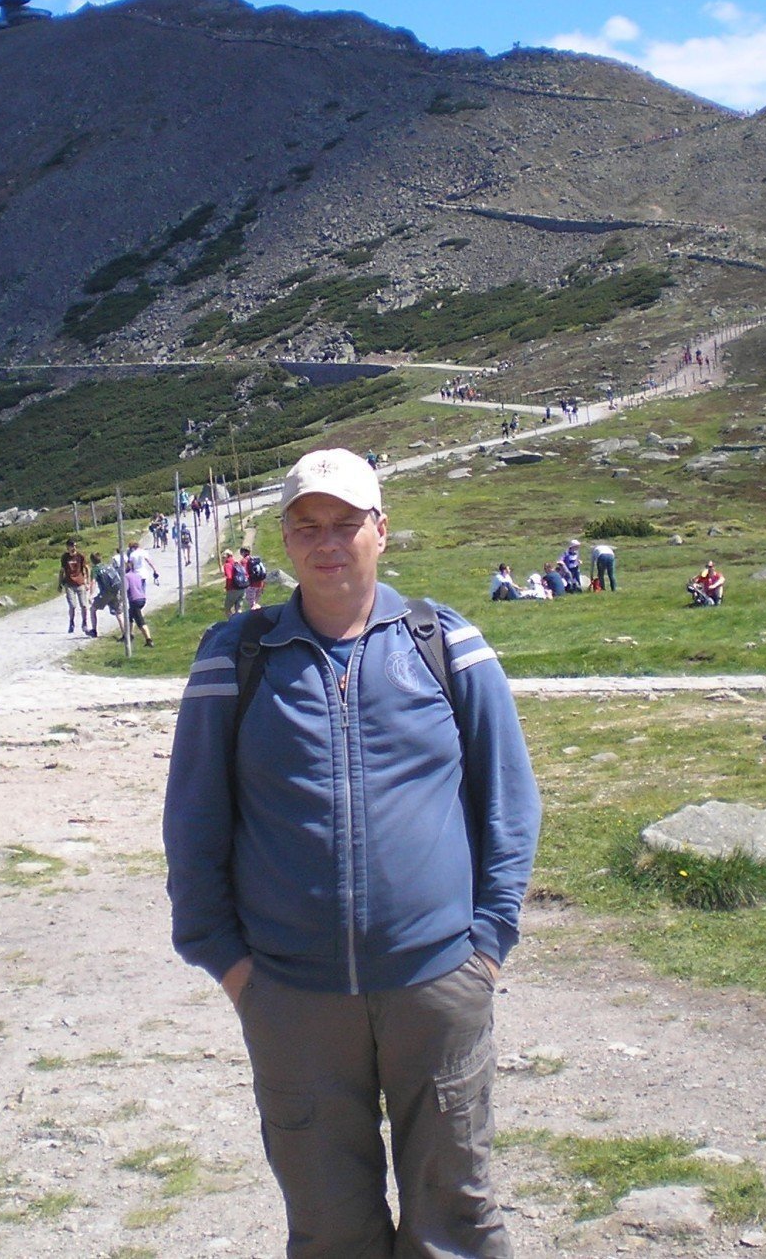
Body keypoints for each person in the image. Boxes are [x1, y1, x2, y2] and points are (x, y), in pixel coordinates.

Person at [164, 448, 540, 1258]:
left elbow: (509, 802)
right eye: (307, 526)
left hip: (438, 986)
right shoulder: (235, 656)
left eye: (345, 523)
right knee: (331, 1232)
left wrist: (486, 948)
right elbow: (193, 822)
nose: (326, 541)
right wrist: (230, 967)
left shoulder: (447, 643)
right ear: (285, 540)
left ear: (381, 530)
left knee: (457, 1224)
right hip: (291, 997)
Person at [122, 545, 156, 648]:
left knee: (140, 621)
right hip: (142, 598)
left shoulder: (126, 577)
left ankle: (149, 640)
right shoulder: (137, 575)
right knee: (130, 617)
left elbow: (125, 589)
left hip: (134, 600)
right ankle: (129, 635)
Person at [60, 539, 92, 635]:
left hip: (80, 583)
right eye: (72, 546)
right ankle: (71, 622)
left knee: (84, 605)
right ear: (68, 547)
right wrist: (60, 583)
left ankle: (84, 623)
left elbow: (87, 568)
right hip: (69, 584)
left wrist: (88, 582)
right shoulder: (65, 557)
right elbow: (62, 570)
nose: (74, 548)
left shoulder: (80, 556)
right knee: (72, 605)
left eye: (75, 546)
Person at [90, 552, 124, 641]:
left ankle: (94, 630)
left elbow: (93, 582)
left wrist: (91, 595)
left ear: (92, 561)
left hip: (105, 593)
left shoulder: (95, 569)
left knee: (93, 609)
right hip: (115, 591)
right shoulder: (108, 566)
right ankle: (125, 633)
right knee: (119, 613)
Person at [223, 547, 249, 616]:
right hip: (242, 588)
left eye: (223, 557)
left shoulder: (227, 565)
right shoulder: (237, 563)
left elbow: (229, 577)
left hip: (233, 589)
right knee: (238, 609)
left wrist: (227, 587)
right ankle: (239, 621)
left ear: (226, 556)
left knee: (227, 609)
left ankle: (232, 623)